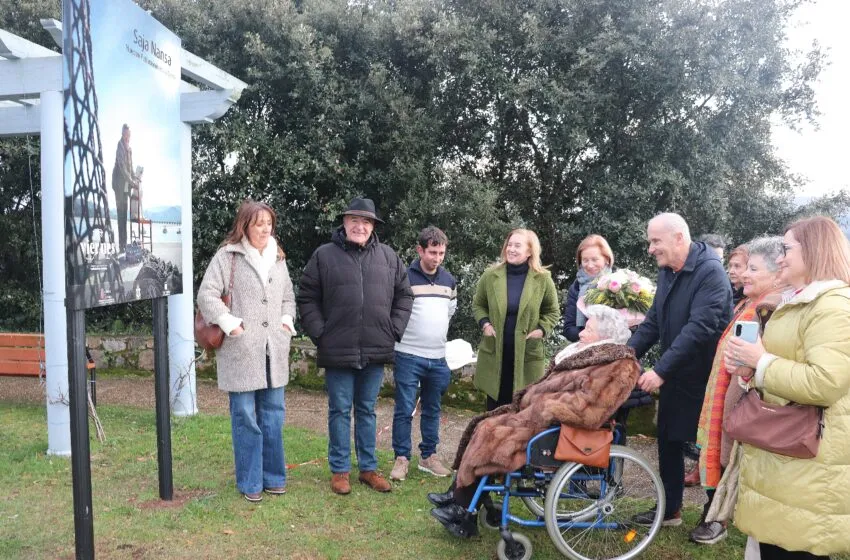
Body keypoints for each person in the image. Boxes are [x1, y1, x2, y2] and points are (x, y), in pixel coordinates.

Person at [428, 305, 639, 537]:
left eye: (588, 329)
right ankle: (462, 495)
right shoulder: (592, 355)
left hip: (558, 428)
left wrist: (547, 407)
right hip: (541, 419)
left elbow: (590, 412)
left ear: (604, 336)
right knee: (485, 425)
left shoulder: (618, 365)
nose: (580, 333)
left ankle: (462, 504)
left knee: (493, 433)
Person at [725, 216, 850, 559]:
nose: (779, 258)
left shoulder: (834, 307)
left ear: (814, 250)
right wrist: (751, 368)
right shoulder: (801, 302)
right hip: (786, 456)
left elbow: (824, 382)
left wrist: (761, 362)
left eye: (786, 248)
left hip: (808, 464)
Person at [297, 197, 413, 495]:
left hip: (375, 349)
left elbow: (404, 296)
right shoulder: (324, 255)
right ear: (344, 223)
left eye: (366, 222)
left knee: (367, 410)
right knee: (339, 411)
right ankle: (339, 471)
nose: (360, 226)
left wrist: (393, 330)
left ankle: (368, 469)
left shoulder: (388, 257)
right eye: (354, 220)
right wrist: (321, 334)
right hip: (337, 350)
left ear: (373, 226)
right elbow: (307, 297)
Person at [628, 213, 732, 527]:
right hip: (676, 373)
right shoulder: (668, 270)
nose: (650, 248)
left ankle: (714, 518)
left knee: (708, 447)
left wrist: (659, 370)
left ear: (678, 238)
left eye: (655, 241)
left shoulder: (710, 273)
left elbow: (699, 329)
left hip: (705, 377)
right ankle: (670, 510)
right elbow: (654, 323)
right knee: (669, 441)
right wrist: (624, 355)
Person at [197, 200, 296, 503]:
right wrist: (230, 323)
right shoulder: (228, 257)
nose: (265, 228)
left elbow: (288, 296)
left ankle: (274, 478)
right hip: (241, 351)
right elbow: (206, 295)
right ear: (245, 226)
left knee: (273, 417)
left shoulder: (278, 257)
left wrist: (286, 320)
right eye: (258, 223)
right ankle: (251, 482)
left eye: (268, 222)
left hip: (273, 350)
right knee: (245, 417)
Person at [689, 236, 785, 545]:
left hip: (745, 400)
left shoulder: (769, 308)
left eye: (752, 268)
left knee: (732, 461)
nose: (743, 274)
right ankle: (715, 513)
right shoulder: (749, 303)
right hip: (729, 393)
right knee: (720, 458)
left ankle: (719, 518)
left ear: (776, 273)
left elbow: (749, 361)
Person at [390, 226, 457, 481]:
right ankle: (401, 458)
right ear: (420, 250)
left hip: (438, 357)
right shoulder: (404, 277)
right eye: (432, 252)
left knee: (433, 408)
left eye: (441, 253)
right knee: (405, 408)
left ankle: (428, 456)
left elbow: (450, 313)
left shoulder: (449, 280)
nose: (437, 258)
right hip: (407, 354)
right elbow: (394, 312)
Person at [472, 229, 560, 410]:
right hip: (496, 350)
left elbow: (552, 311)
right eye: (509, 245)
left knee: (522, 407)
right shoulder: (490, 275)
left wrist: (541, 330)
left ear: (529, 251)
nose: (511, 249)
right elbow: (478, 304)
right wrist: (485, 324)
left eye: (517, 245)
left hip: (526, 352)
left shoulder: (543, 279)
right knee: (494, 409)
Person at [562, 234, 614, 342]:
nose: (590, 265)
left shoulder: (619, 284)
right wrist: (587, 334)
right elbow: (568, 329)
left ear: (607, 259)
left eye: (595, 259)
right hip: (584, 347)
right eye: (585, 260)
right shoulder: (576, 287)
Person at [111, 124, 140, 252]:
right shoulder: (120, 146)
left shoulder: (130, 149)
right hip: (118, 184)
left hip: (126, 185)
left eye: (129, 135)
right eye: (125, 135)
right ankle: (122, 245)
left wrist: (136, 177)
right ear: (122, 134)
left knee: (125, 214)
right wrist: (131, 181)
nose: (127, 137)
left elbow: (130, 168)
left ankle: (124, 243)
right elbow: (122, 168)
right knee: (120, 214)